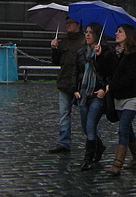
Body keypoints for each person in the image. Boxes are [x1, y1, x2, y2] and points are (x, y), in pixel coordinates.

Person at [95, 24, 136, 176]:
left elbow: (130, 77)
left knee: (123, 129)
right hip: (118, 97)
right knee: (127, 128)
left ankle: (117, 164)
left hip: (132, 97)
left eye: (120, 31)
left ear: (128, 35)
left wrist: (112, 86)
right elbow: (105, 72)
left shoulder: (134, 55)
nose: (116, 33)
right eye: (116, 31)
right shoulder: (115, 54)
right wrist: (99, 55)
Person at [73, 22, 107, 170]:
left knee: (91, 125)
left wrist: (99, 57)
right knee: (85, 127)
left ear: (97, 35)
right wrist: (75, 89)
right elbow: (76, 72)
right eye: (86, 32)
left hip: (96, 94)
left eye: (90, 32)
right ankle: (99, 147)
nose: (87, 35)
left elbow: (107, 73)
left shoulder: (105, 52)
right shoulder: (81, 53)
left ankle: (88, 158)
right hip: (82, 93)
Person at [48, 16, 84, 154]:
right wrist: (54, 49)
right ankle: (63, 142)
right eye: (66, 23)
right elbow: (56, 62)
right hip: (64, 82)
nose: (67, 25)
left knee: (85, 116)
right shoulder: (63, 42)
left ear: (78, 25)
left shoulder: (84, 42)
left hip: (80, 85)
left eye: (70, 23)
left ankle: (93, 142)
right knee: (64, 114)